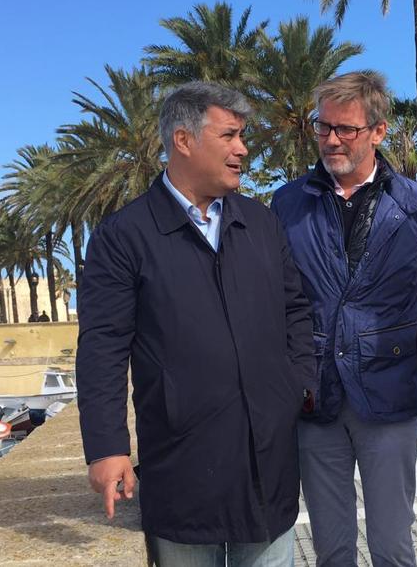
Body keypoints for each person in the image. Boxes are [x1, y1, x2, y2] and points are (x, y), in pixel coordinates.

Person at [75, 81, 315, 566]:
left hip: (268, 469)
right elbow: (102, 346)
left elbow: (296, 311)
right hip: (183, 467)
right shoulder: (124, 236)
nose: (242, 149)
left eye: (242, 136)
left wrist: (298, 383)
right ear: (183, 141)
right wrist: (106, 449)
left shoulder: (261, 222)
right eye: (229, 136)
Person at [272, 71, 417, 566]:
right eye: (323, 127)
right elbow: (277, 301)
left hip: (390, 394)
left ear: (378, 131)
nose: (331, 139)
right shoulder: (286, 204)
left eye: (346, 128)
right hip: (314, 396)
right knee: (331, 547)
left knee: (393, 544)